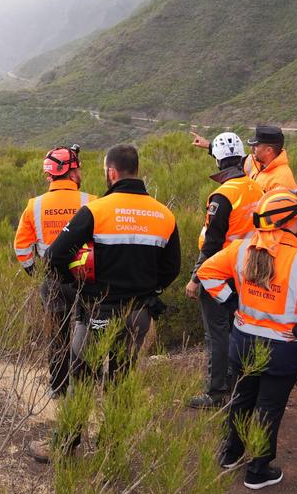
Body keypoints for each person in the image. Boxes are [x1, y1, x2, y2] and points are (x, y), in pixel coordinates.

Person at [31, 144, 182, 463]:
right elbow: (172, 269)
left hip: (98, 310)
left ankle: (64, 447)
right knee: (121, 379)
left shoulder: (97, 210)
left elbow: (55, 256)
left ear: (111, 173)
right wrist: (146, 290)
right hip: (139, 314)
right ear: (135, 170)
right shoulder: (163, 214)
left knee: (81, 378)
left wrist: (76, 284)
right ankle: (112, 449)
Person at [197, 189, 297, 489]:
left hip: (243, 343)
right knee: (269, 408)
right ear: (289, 223)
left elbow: (207, 272)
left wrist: (231, 301)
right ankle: (257, 471)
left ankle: (230, 455)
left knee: (242, 400)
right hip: (283, 351)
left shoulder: (241, 249)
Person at [184, 132, 265, 409]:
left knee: (216, 333)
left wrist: (196, 278)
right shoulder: (255, 187)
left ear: (218, 160)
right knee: (237, 327)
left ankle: (216, 392)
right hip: (249, 269)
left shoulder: (222, 195)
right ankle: (238, 383)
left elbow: (212, 243)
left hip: (220, 271)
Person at [13, 146, 96, 397]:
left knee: (57, 333)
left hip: (52, 279)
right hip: (87, 277)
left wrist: (34, 272)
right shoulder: (91, 201)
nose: (80, 172)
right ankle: (83, 383)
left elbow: (21, 247)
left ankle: (57, 387)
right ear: (71, 173)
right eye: (78, 168)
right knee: (88, 328)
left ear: (50, 175)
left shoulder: (34, 206)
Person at [191, 125, 297, 192]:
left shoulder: (282, 181)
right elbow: (231, 160)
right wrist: (210, 146)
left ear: (269, 150)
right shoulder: (256, 161)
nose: (252, 148)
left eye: (256, 145)